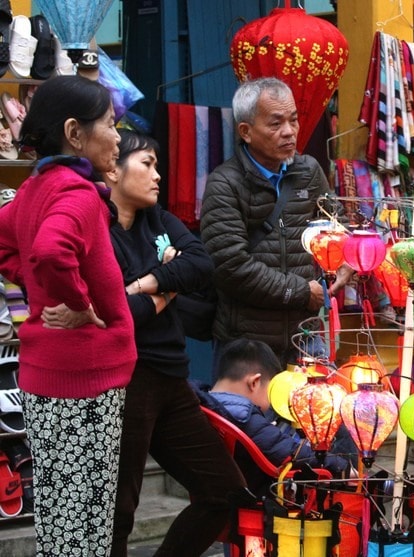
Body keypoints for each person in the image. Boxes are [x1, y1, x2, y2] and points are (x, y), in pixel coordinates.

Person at [0, 75, 136, 556]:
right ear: (75, 133)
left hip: (48, 376)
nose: (118, 137)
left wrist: (39, 288)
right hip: (86, 380)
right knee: (85, 530)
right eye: (111, 125)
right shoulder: (77, 194)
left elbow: (9, 245)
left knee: (61, 525)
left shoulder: (35, 189)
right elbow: (52, 252)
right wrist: (79, 305)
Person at [103, 129, 246, 557]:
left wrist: (150, 284)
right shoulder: (99, 230)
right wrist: (169, 286)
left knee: (224, 491)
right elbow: (123, 316)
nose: (158, 175)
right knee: (118, 512)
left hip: (172, 377)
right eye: (147, 164)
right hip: (129, 379)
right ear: (113, 168)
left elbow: (201, 263)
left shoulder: (159, 221)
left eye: (157, 165)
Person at [200, 77, 352, 371]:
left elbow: (337, 226)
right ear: (245, 131)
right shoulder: (224, 183)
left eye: (293, 120)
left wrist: (345, 261)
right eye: (275, 123)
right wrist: (301, 292)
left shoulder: (308, 171)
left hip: (304, 336)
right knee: (247, 417)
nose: (289, 132)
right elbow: (230, 266)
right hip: (246, 343)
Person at [195, 338, 354, 495]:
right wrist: (344, 468)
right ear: (254, 383)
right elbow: (290, 452)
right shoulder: (244, 418)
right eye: (270, 392)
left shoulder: (203, 405)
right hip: (259, 496)